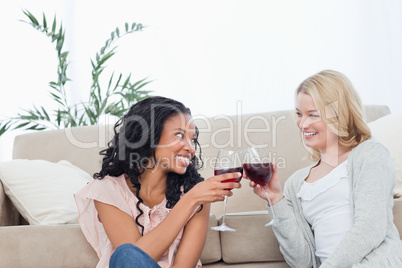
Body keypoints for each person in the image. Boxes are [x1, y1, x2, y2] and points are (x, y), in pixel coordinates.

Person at [247, 70, 402, 267]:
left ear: (340, 115)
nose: (302, 124)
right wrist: (276, 199)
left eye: (313, 115)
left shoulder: (370, 154)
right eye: (299, 114)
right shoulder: (297, 183)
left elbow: (370, 228)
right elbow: (303, 261)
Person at [74, 96, 241, 268]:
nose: (190, 148)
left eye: (193, 139)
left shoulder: (196, 193)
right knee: (125, 253)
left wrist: (193, 198)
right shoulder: (108, 190)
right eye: (179, 135)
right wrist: (190, 200)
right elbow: (132, 259)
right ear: (147, 137)